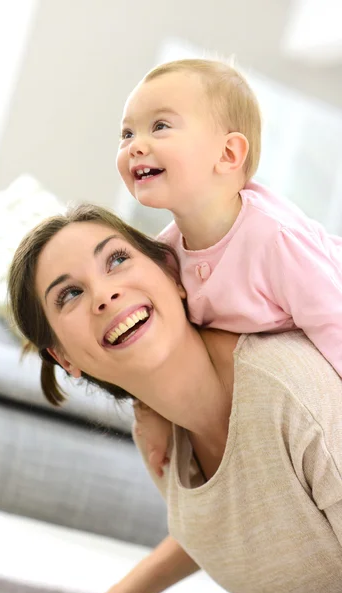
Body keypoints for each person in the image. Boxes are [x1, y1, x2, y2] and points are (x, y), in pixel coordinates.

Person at [8, 203, 342, 593]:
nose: (104, 294)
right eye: (70, 294)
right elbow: (233, 526)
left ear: (172, 274)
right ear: (64, 358)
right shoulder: (160, 434)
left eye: (116, 259)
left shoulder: (292, 394)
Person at [116, 58, 342, 474]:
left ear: (228, 153)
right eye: (127, 132)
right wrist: (152, 415)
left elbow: (334, 320)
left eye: (160, 126)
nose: (135, 144)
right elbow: (166, 346)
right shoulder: (165, 256)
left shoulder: (273, 238)